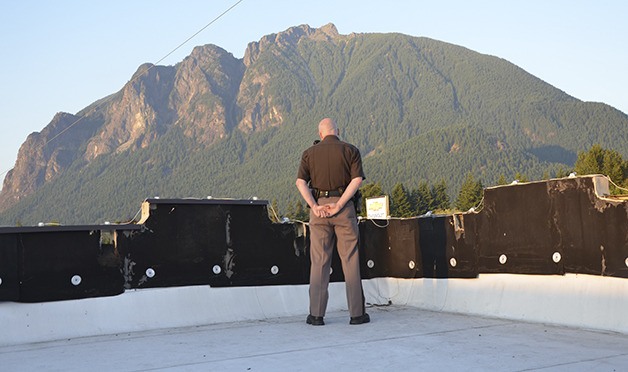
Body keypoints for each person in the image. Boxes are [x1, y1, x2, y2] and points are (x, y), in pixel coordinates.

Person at [296, 118, 370, 326]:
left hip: (319, 211)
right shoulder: (351, 150)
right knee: (350, 260)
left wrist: (314, 205)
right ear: (338, 131)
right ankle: (357, 315)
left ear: (320, 134)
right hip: (343, 209)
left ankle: (316, 315)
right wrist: (339, 205)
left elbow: (300, 182)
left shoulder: (309, 153)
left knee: (319, 262)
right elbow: (356, 180)